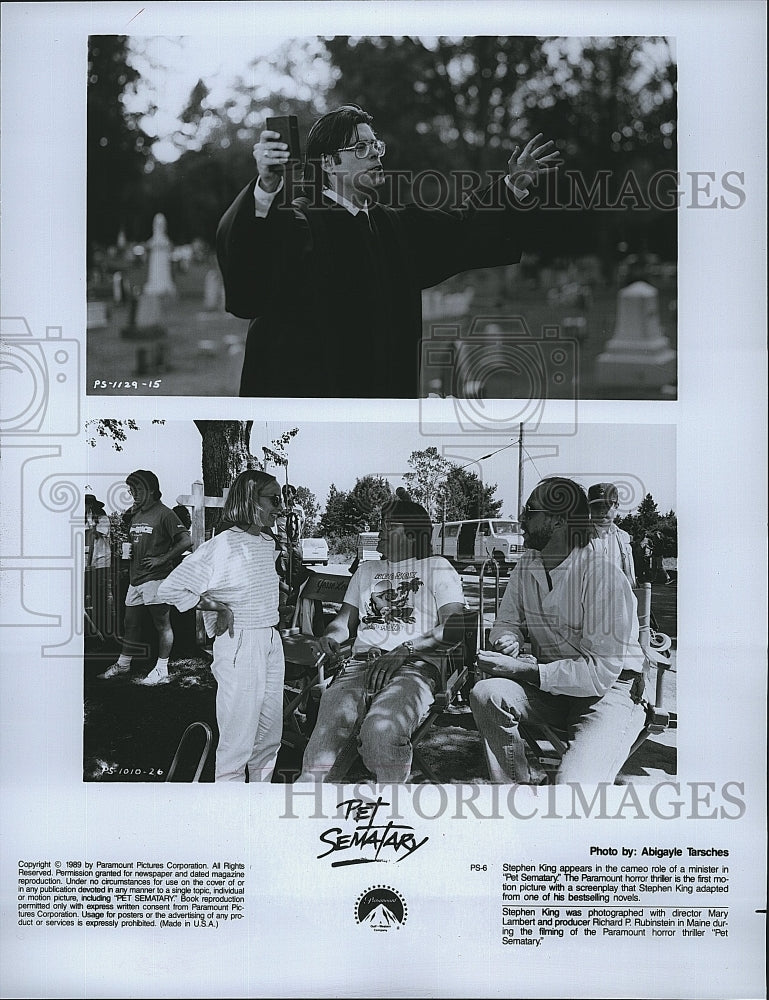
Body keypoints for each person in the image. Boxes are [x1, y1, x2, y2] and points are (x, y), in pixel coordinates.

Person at [217, 104, 560, 397]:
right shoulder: (302, 226)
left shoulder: (396, 227)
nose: (376, 157)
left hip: (387, 395)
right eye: (361, 149)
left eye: (375, 146)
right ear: (329, 163)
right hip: (320, 403)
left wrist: (512, 186)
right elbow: (252, 267)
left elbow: (463, 227)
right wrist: (266, 186)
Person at [470, 477, 647, 785]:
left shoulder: (603, 577)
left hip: (609, 693)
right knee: (487, 693)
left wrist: (523, 668)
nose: (521, 520)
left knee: (573, 787)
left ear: (559, 520)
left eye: (530, 511)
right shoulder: (527, 565)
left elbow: (598, 674)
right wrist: (508, 639)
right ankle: (516, 796)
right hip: (552, 691)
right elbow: (506, 623)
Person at [298, 493, 465, 783]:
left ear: (412, 533)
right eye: (381, 525)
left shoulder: (437, 567)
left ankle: (391, 811)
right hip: (359, 665)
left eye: (389, 526)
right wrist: (331, 638)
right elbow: (343, 622)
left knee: (381, 733)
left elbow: (455, 628)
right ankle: (311, 812)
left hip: (414, 667)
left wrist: (405, 650)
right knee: (318, 761)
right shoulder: (367, 570)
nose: (380, 532)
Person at [157, 471, 286, 782]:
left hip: (270, 638)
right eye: (273, 499)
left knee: (269, 737)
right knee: (237, 741)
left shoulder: (267, 542)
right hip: (241, 643)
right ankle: (229, 811)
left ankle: (258, 803)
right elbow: (171, 588)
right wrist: (217, 607)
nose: (280, 506)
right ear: (251, 501)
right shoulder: (222, 545)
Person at [98, 471, 191, 685]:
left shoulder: (164, 513)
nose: (133, 494)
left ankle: (161, 668)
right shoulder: (137, 514)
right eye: (131, 490)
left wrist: (162, 559)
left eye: (138, 490)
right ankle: (123, 664)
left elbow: (186, 541)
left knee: (162, 625)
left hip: (156, 578)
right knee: (130, 623)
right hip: (136, 579)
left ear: (151, 490)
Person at [586, 482, 636, 586]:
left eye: (606, 506)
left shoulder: (623, 538)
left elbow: (630, 576)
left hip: (619, 597)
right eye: (597, 506)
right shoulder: (579, 538)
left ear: (616, 506)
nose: (601, 511)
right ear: (589, 508)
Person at [84, 493, 114, 641]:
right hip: (88, 564)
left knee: (101, 598)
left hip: (102, 563)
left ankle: (105, 630)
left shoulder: (102, 519)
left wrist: (89, 523)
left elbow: (93, 534)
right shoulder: (85, 520)